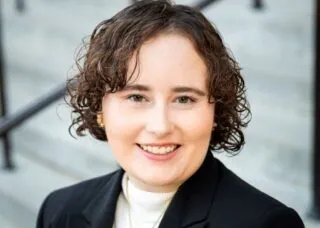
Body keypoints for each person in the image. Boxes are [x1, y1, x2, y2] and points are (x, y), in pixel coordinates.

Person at [36, 1, 305, 227]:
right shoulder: (58, 211)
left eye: (184, 99)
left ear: (215, 110)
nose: (160, 125)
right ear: (100, 109)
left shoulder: (265, 223)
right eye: (136, 97)